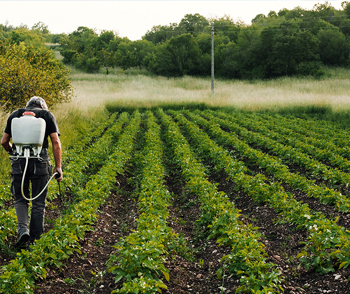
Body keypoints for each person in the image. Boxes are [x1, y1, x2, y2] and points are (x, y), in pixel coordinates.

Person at [1, 96, 63, 249]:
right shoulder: (47, 115)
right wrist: (58, 167)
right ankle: (34, 241)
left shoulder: (15, 115)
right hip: (40, 161)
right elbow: (55, 141)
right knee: (38, 203)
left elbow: (3, 141)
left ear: (28, 105)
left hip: (19, 161)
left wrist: (12, 151)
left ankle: (22, 231)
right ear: (43, 106)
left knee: (20, 199)